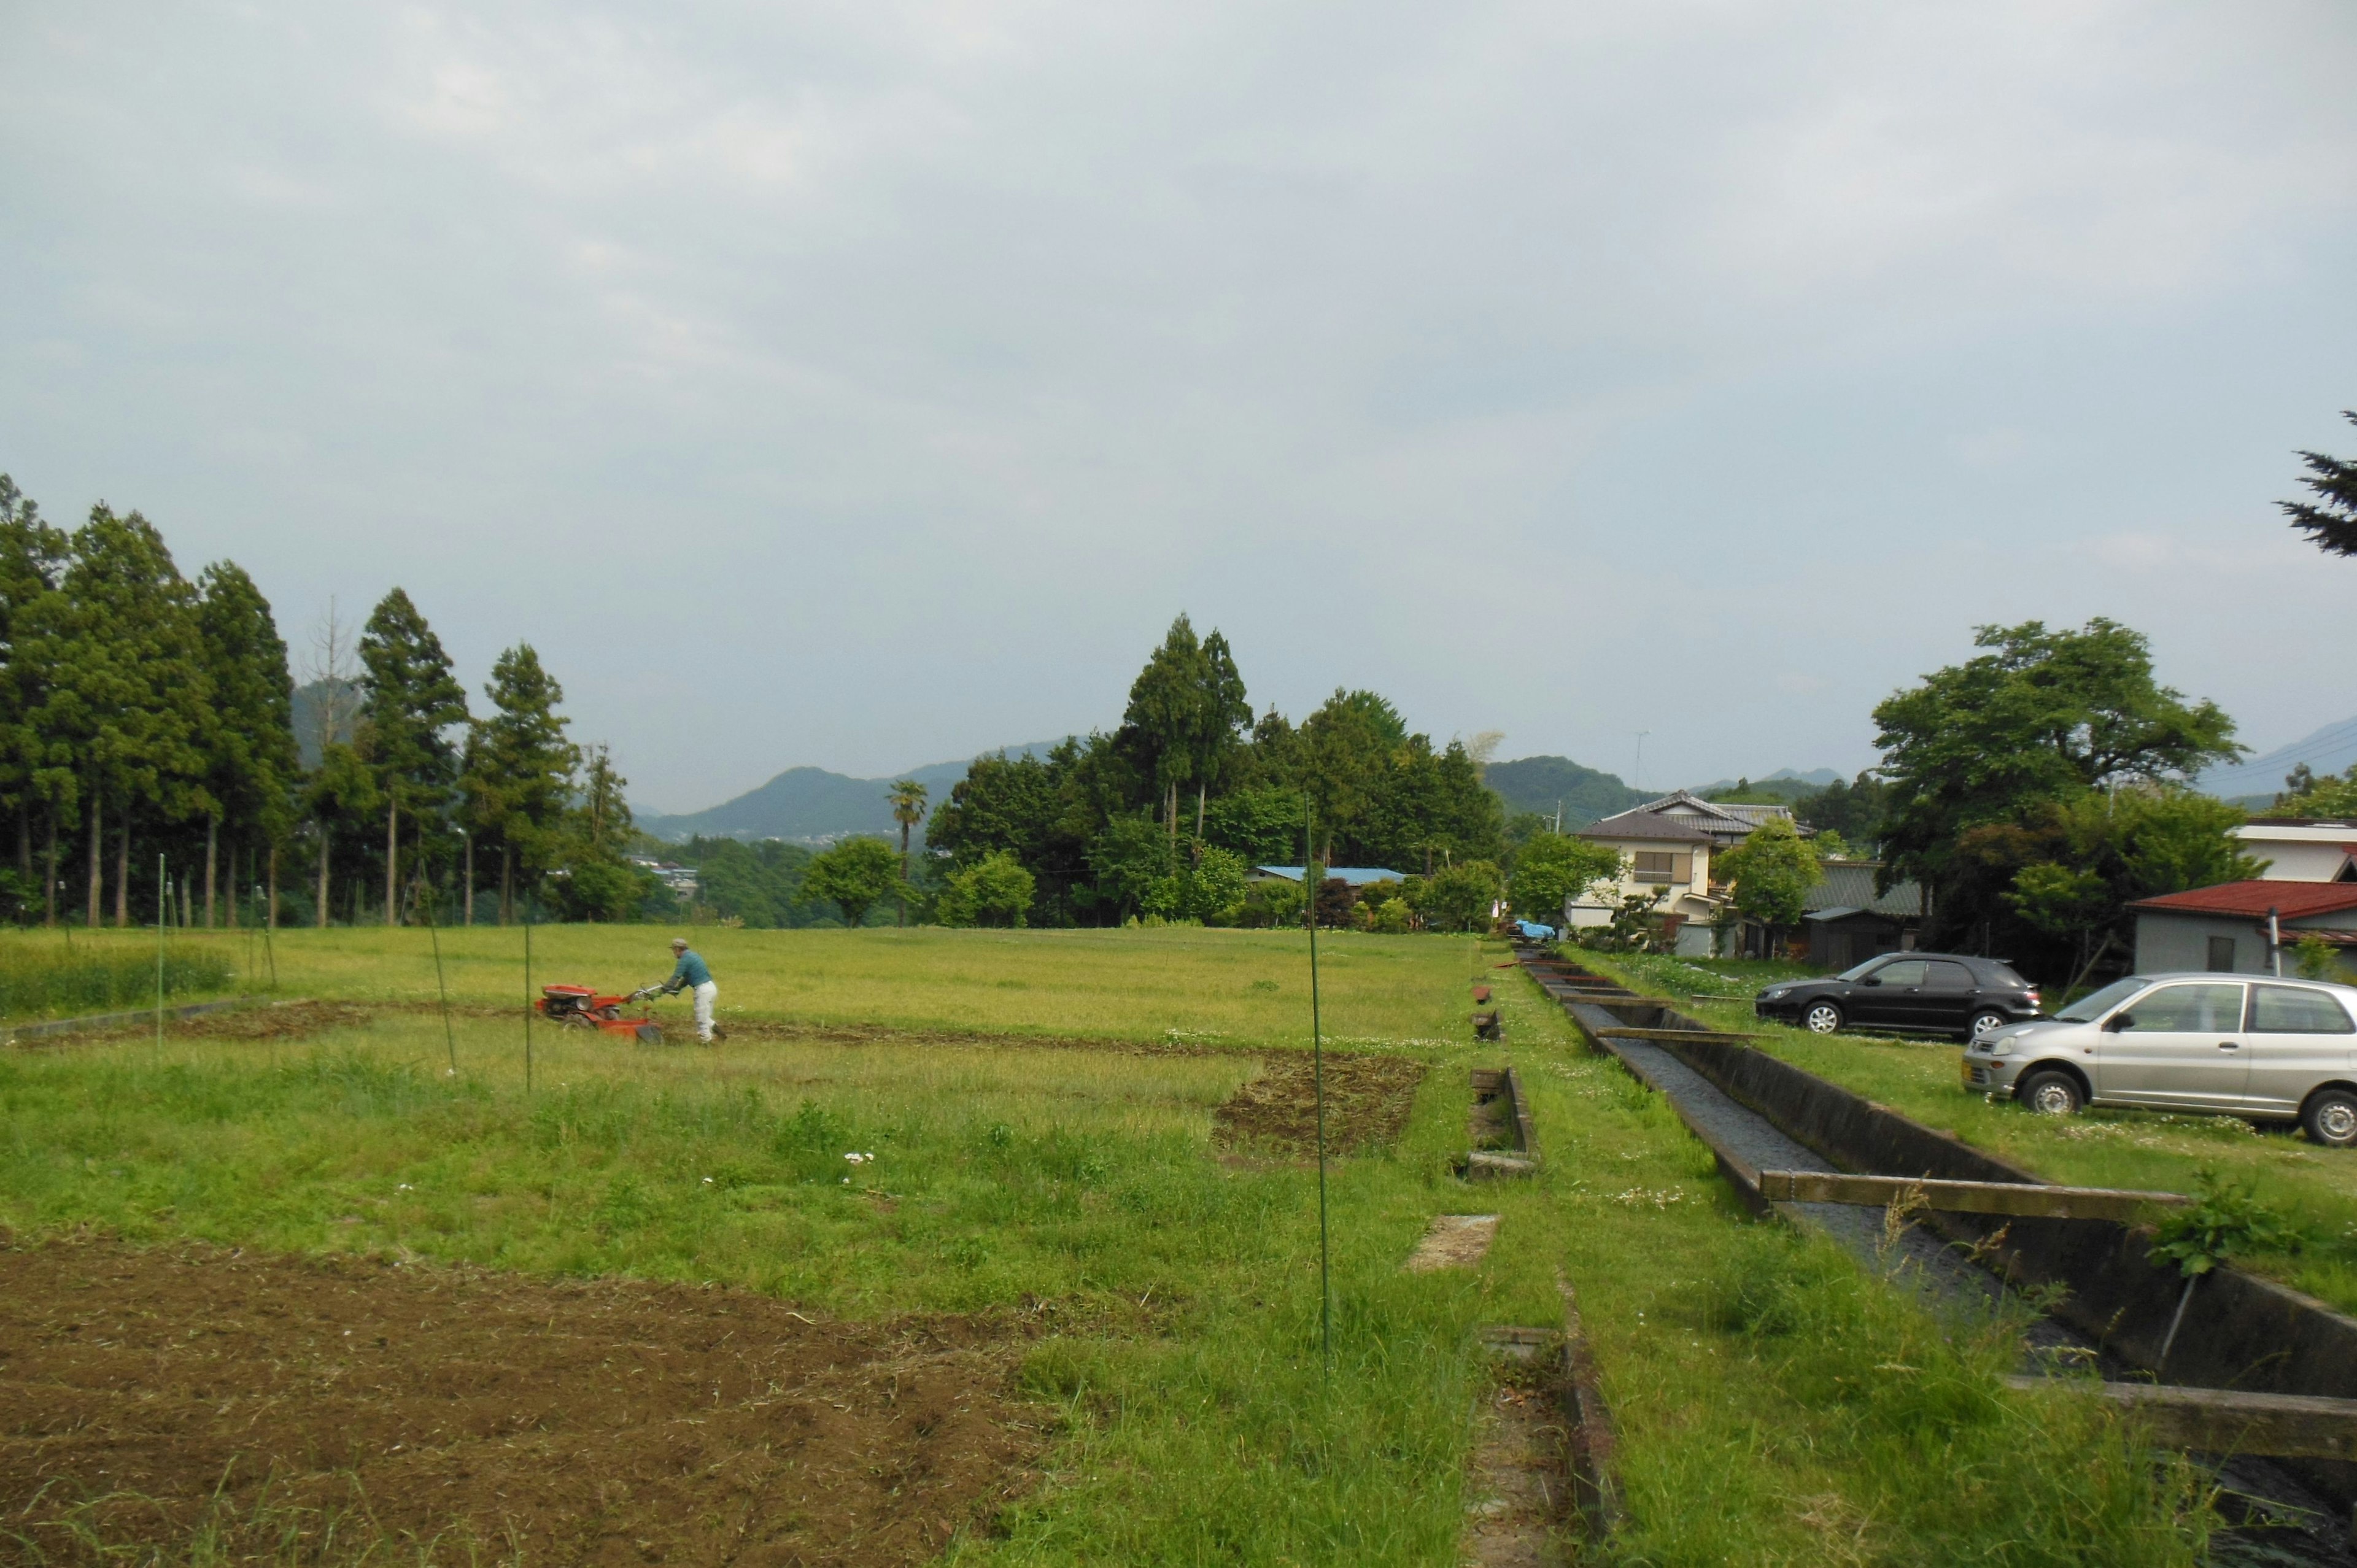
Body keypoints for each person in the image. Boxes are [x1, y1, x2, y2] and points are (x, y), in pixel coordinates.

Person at [657, 937, 721, 1043]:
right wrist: (678, 989)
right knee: (706, 1017)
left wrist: (662, 991)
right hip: (711, 988)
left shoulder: (684, 959)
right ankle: (721, 1035)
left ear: (677, 949)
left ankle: (707, 1043)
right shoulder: (693, 956)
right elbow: (687, 978)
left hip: (703, 990)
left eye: (674, 950)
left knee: (701, 1019)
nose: (674, 953)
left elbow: (676, 977)